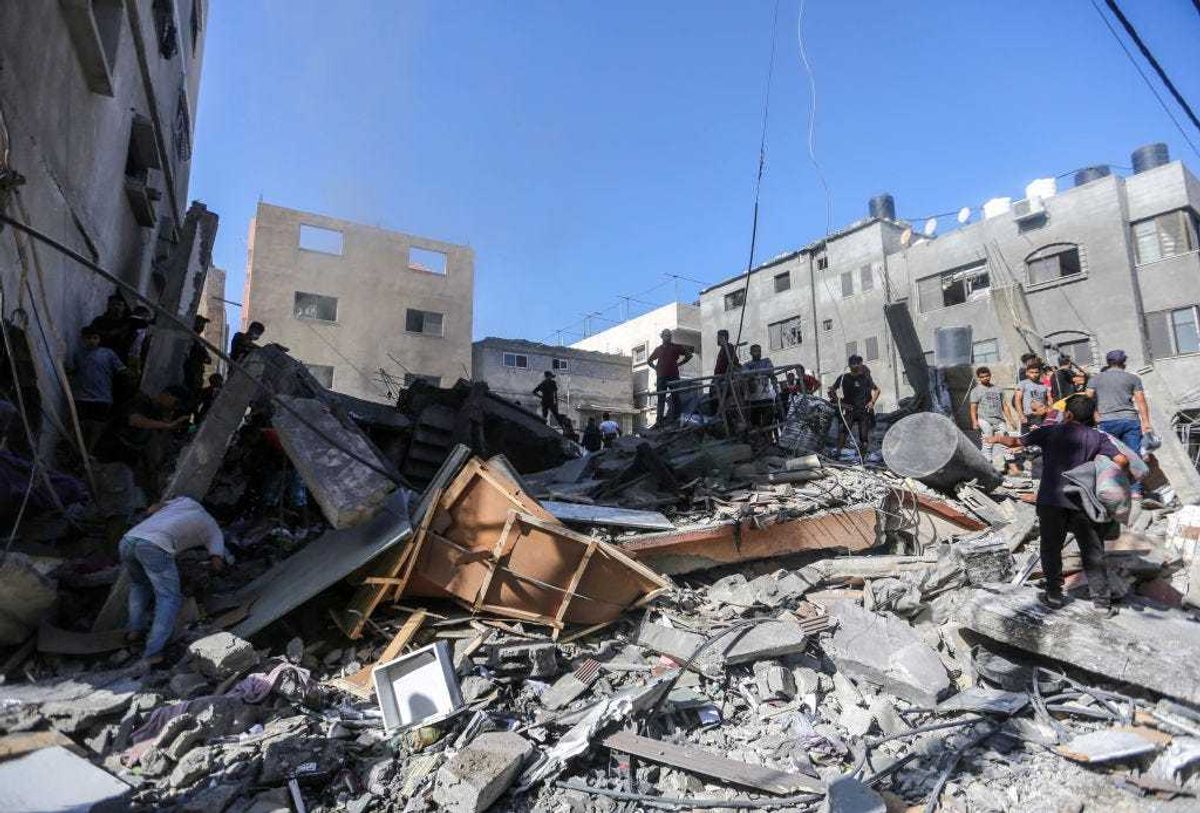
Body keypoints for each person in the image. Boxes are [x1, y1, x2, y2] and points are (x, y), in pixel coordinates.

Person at [986, 396, 1129, 614]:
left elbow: (1016, 442)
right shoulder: (1097, 437)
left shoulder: (1050, 431)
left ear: (1069, 414)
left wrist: (996, 438)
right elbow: (1122, 460)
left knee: (1051, 547)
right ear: (1091, 416)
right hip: (1083, 502)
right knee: (1092, 551)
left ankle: (1053, 594)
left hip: (1051, 500)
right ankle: (1101, 603)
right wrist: (1097, 470)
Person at [119, 496, 226, 665]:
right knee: (169, 598)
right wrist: (209, 566)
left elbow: (152, 508)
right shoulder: (213, 528)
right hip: (155, 546)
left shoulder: (187, 502)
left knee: (139, 585)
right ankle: (153, 652)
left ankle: (134, 630)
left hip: (128, 540)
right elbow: (217, 564)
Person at [70, 326, 126, 425]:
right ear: (82, 339)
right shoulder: (78, 354)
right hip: (81, 398)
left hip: (102, 398)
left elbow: (121, 371)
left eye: (95, 338)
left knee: (97, 427)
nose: (92, 341)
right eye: (88, 338)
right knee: (81, 426)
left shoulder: (108, 354)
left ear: (99, 339)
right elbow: (74, 371)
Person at [829, 355, 880, 456]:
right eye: (854, 363)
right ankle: (837, 454)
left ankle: (863, 459)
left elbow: (877, 390)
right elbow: (831, 391)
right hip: (850, 410)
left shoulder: (865, 378)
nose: (857, 365)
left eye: (858, 363)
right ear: (849, 365)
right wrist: (842, 404)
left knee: (864, 437)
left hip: (863, 411)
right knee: (843, 432)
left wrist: (872, 402)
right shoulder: (843, 378)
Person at [647, 329, 693, 424]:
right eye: (666, 335)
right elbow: (649, 361)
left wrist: (679, 364)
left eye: (669, 335)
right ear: (662, 336)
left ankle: (677, 418)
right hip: (661, 377)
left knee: (675, 397)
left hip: (673, 376)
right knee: (661, 398)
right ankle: (659, 421)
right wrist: (656, 368)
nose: (668, 337)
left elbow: (689, 355)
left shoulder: (676, 347)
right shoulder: (658, 349)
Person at [968, 366, 1008, 472]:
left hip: (999, 419)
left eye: (987, 376)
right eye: (982, 377)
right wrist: (974, 421)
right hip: (984, 419)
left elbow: (1004, 405)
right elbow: (973, 408)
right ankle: (987, 466)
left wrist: (1011, 420)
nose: (985, 378)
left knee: (1004, 440)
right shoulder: (976, 391)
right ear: (979, 378)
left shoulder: (998, 389)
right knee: (988, 441)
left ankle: (1003, 466)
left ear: (990, 375)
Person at [87, 294, 138, 362]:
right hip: (99, 357)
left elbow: (131, 343)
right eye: (113, 304)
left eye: (119, 304)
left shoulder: (128, 324)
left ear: (124, 307)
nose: (116, 307)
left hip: (119, 358)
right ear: (108, 305)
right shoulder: (99, 321)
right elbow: (90, 335)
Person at [743, 344, 777, 427]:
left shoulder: (766, 361)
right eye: (755, 351)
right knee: (755, 424)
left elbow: (770, 370)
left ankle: (769, 439)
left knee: (768, 423)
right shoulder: (747, 364)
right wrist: (761, 372)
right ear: (750, 353)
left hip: (766, 397)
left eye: (759, 351)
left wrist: (754, 373)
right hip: (753, 399)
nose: (758, 353)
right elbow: (745, 373)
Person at [1014, 363, 1050, 430]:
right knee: (1029, 439)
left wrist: (1048, 411)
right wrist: (1021, 416)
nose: (1034, 374)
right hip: (1029, 417)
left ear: (1040, 373)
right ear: (1027, 373)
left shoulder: (1044, 385)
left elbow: (1048, 400)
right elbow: (1017, 400)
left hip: (1042, 416)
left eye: (1036, 372)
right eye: (1031, 372)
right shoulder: (1022, 384)